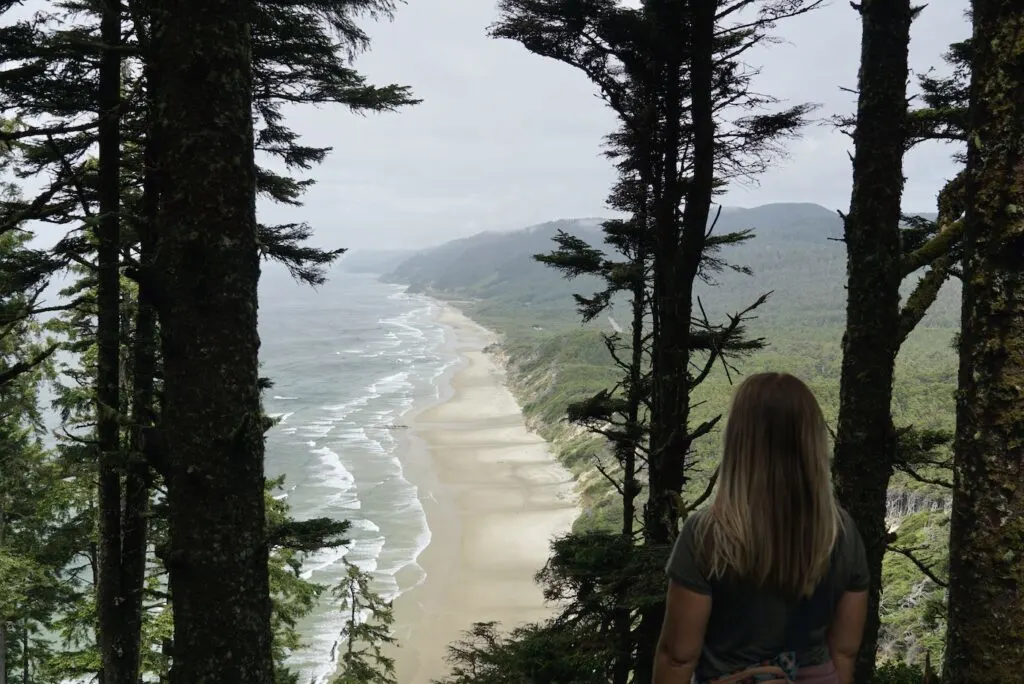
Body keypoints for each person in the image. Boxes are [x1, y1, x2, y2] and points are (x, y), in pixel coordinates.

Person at [653, 372, 869, 684]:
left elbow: (677, 657)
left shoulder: (706, 534)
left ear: (738, 442)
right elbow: (845, 653)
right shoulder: (841, 532)